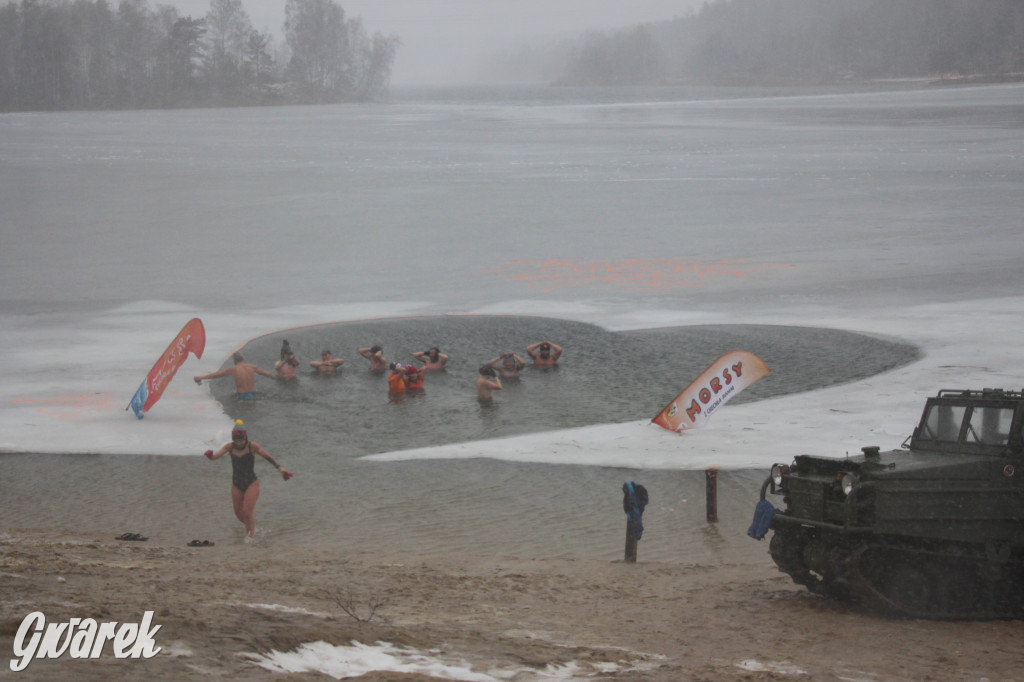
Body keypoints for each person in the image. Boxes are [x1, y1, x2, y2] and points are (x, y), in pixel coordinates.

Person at [204, 420, 291, 541]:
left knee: (246, 511)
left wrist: (279, 467)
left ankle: (250, 537)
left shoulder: (252, 446)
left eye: (241, 440)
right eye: (236, 440)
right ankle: (251, 528)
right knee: (238, 513)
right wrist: (210, 456)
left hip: (251, 482)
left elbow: (267, 456)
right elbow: (215, 457)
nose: (238, 443)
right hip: (236, 484)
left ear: (245, 438)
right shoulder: (229, 446)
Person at [194, 352, 274, 400]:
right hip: (254, 394)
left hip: (242, 396)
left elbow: (216, 375)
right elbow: (266, 374)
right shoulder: (252, 367)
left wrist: (201, 377)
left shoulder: (233, 369)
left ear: (235, 360)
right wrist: (276, 377)